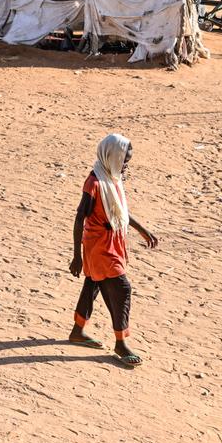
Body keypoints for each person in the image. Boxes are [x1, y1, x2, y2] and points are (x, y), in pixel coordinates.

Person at [68, 133, 158, 366]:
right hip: (100, 247)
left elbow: (120, 211)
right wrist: (76, 256)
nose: (126, 164)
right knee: (122, 288)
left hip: (112, 243)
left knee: (94, 283)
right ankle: (121, 343)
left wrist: (142, 229)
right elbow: (80, 219)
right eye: (124, 160)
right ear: (111, 156)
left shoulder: (112, 177)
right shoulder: (95, 183)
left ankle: (78, 331)